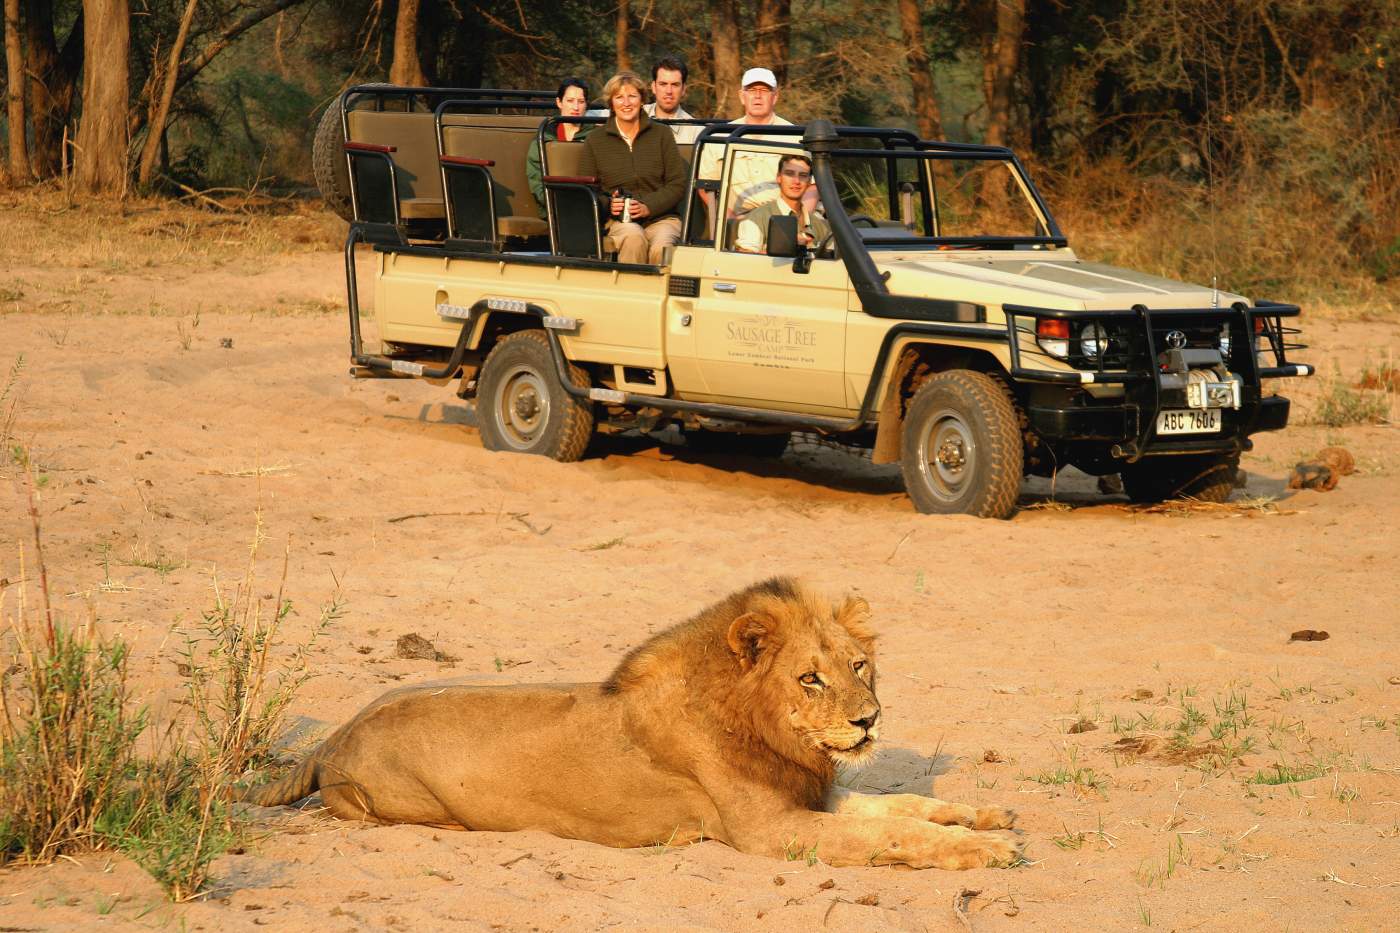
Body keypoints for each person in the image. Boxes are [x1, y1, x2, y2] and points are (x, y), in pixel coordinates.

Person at [579, 71, 687, 265]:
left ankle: (662, 286)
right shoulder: (595, 140)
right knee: (634, 238)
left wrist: (648, 206)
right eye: (619, 97)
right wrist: (608, 205)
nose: (626, 103)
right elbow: (586, 189)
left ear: (642, 100)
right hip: (619, 221)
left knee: (662, 247)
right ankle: (630, 285)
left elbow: (677, 183)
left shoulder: (662, 134)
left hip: (662, 218)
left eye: (632, 96)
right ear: (611, 103)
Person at [733, 153, 831, 254]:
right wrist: (785, 246)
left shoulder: (819, 225)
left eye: (803, 175)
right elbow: (745, 258)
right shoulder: (757, 218)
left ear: (809, 181)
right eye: (789, 174)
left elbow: (833, 259)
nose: (796, 181)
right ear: (779, 177)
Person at [527, 77, 592, 218]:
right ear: (559, 102)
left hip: (589, 204)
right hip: (554, 208)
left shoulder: (594, 136)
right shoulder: (545, 136)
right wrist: (553, 202)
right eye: (570, 101)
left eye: (581, 102)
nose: (576, 107)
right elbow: (536, 178)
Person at [643, 56, 701, 145]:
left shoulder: (695, 132)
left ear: (683, 89)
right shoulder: (635, 117)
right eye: (663, 84)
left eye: (675, 85)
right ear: (653, 87)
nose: (669, 91)